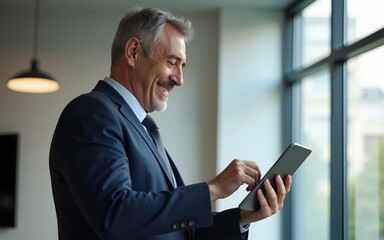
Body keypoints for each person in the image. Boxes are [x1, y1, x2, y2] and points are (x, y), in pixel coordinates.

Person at [49, 7, 292, 240]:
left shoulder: (144, 128)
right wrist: (212, 189)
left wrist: (242, 218)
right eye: (172, 62)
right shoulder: (91, 113)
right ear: (133, 52)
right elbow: (115, 215)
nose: (179, 79)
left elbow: (179, 233)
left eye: (181, 66)